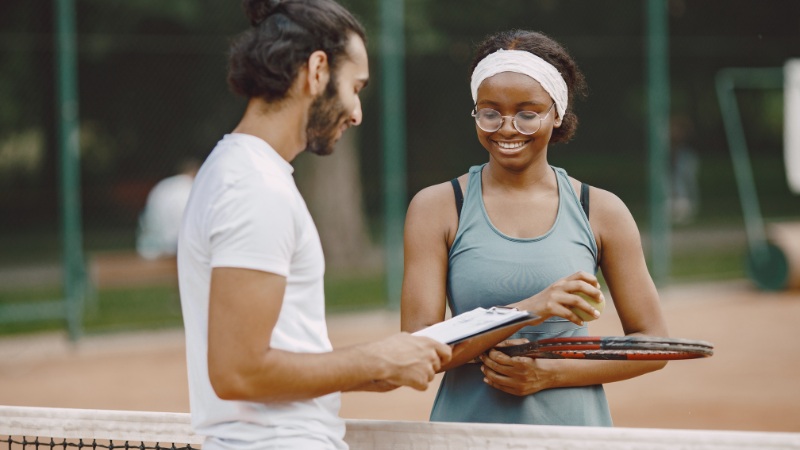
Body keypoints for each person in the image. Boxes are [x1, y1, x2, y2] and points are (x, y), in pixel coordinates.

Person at [177, 1, 451, 449]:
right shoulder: (253, 186)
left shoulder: (243, 173)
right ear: (318, 70)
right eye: (355, 87)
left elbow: (268, 365)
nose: (357, 112)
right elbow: (238, 372)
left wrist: (382, 366)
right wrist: (373, 358)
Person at [401, 29, 669, 426]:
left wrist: (550, 374)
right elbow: (417, 349)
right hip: (468, 434)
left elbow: (655, 344)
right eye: (490, 112)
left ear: (556, 113)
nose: (507, 128)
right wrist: (527, 310)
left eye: (527, 113)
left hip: (574, 434)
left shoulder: (600, 210)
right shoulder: (437, 208)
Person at [136, 158, 199, 260]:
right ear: (195, 172)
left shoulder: (162, 185)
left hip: (151, 247)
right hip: (180, 248)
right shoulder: (192, 187)